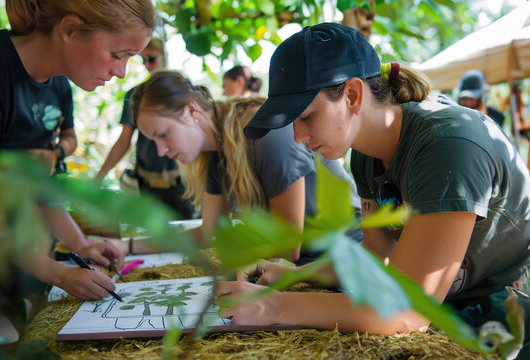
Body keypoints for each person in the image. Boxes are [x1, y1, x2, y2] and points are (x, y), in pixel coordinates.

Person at [216, 23, 530, 358]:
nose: (297, 137)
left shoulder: (447, 145)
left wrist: (270, 307)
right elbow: (377, 255)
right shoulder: (366, 153)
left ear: (352, 94)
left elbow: (407, 311)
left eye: (306, 116)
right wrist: (293, 275)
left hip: (500, 308)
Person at [0, 0, 156, 302]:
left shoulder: (54, 84)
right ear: (69, 30)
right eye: (118, 55)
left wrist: (82, 244)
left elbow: (39, 189)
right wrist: (60, 274)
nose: (120, 72)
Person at [130, 70, 361, 261]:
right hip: (305, 259)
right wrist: (127, 246)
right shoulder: (217, 150)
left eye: (163, 134)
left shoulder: (265, 135)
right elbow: (210, 232)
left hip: (346, 255)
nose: (161, 151)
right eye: (154, 141)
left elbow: (287, 248)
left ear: (192, 110)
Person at [96, 38, 196, 219]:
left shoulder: (182, 90)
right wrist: (100, 175)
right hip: (148, 186)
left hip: (183, 184)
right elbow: (124, 140)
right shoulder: (135, 96)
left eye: (152, 58)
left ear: (164, 56)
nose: (147, 65)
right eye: (143, 60)